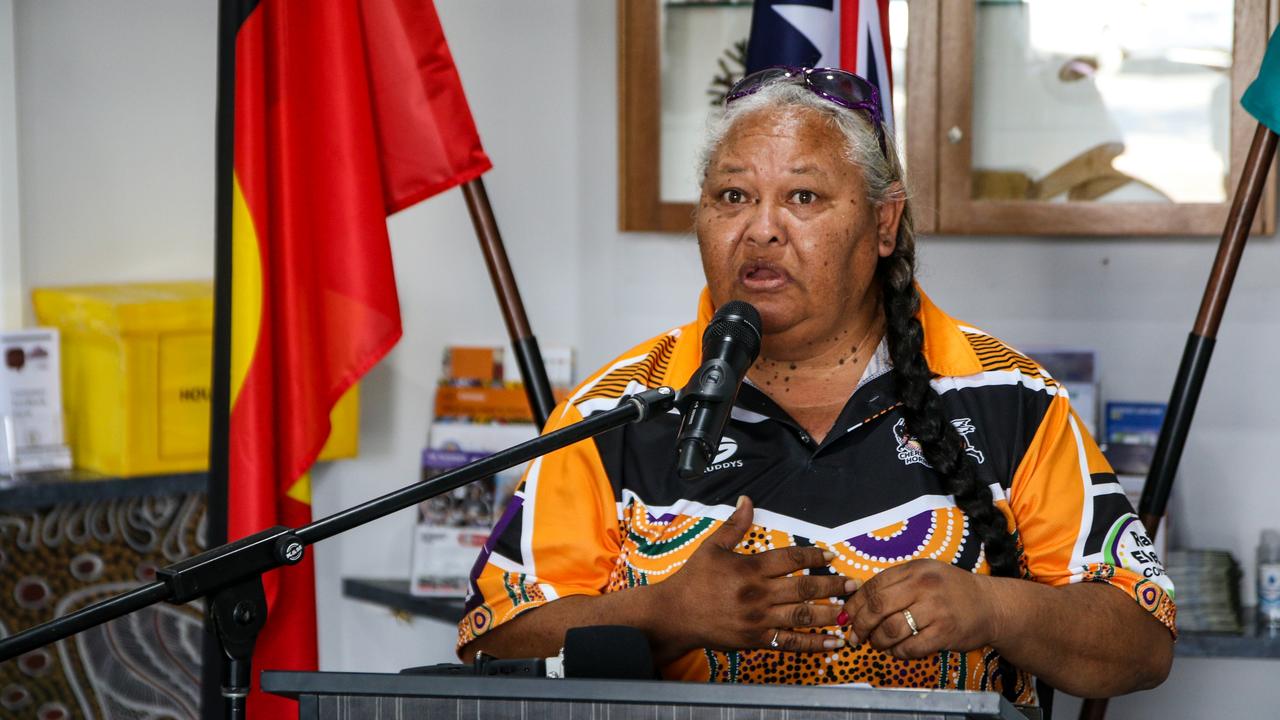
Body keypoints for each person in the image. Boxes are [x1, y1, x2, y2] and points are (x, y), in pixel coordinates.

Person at [457, 67, 1175, 705]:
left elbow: (1142, 644)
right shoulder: (616, 411)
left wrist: (994, 609)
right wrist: (663, 614)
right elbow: (493, 641)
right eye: (732, 195)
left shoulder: (1011, 396)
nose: (760, 230)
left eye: (803, 196)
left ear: (883, 222)